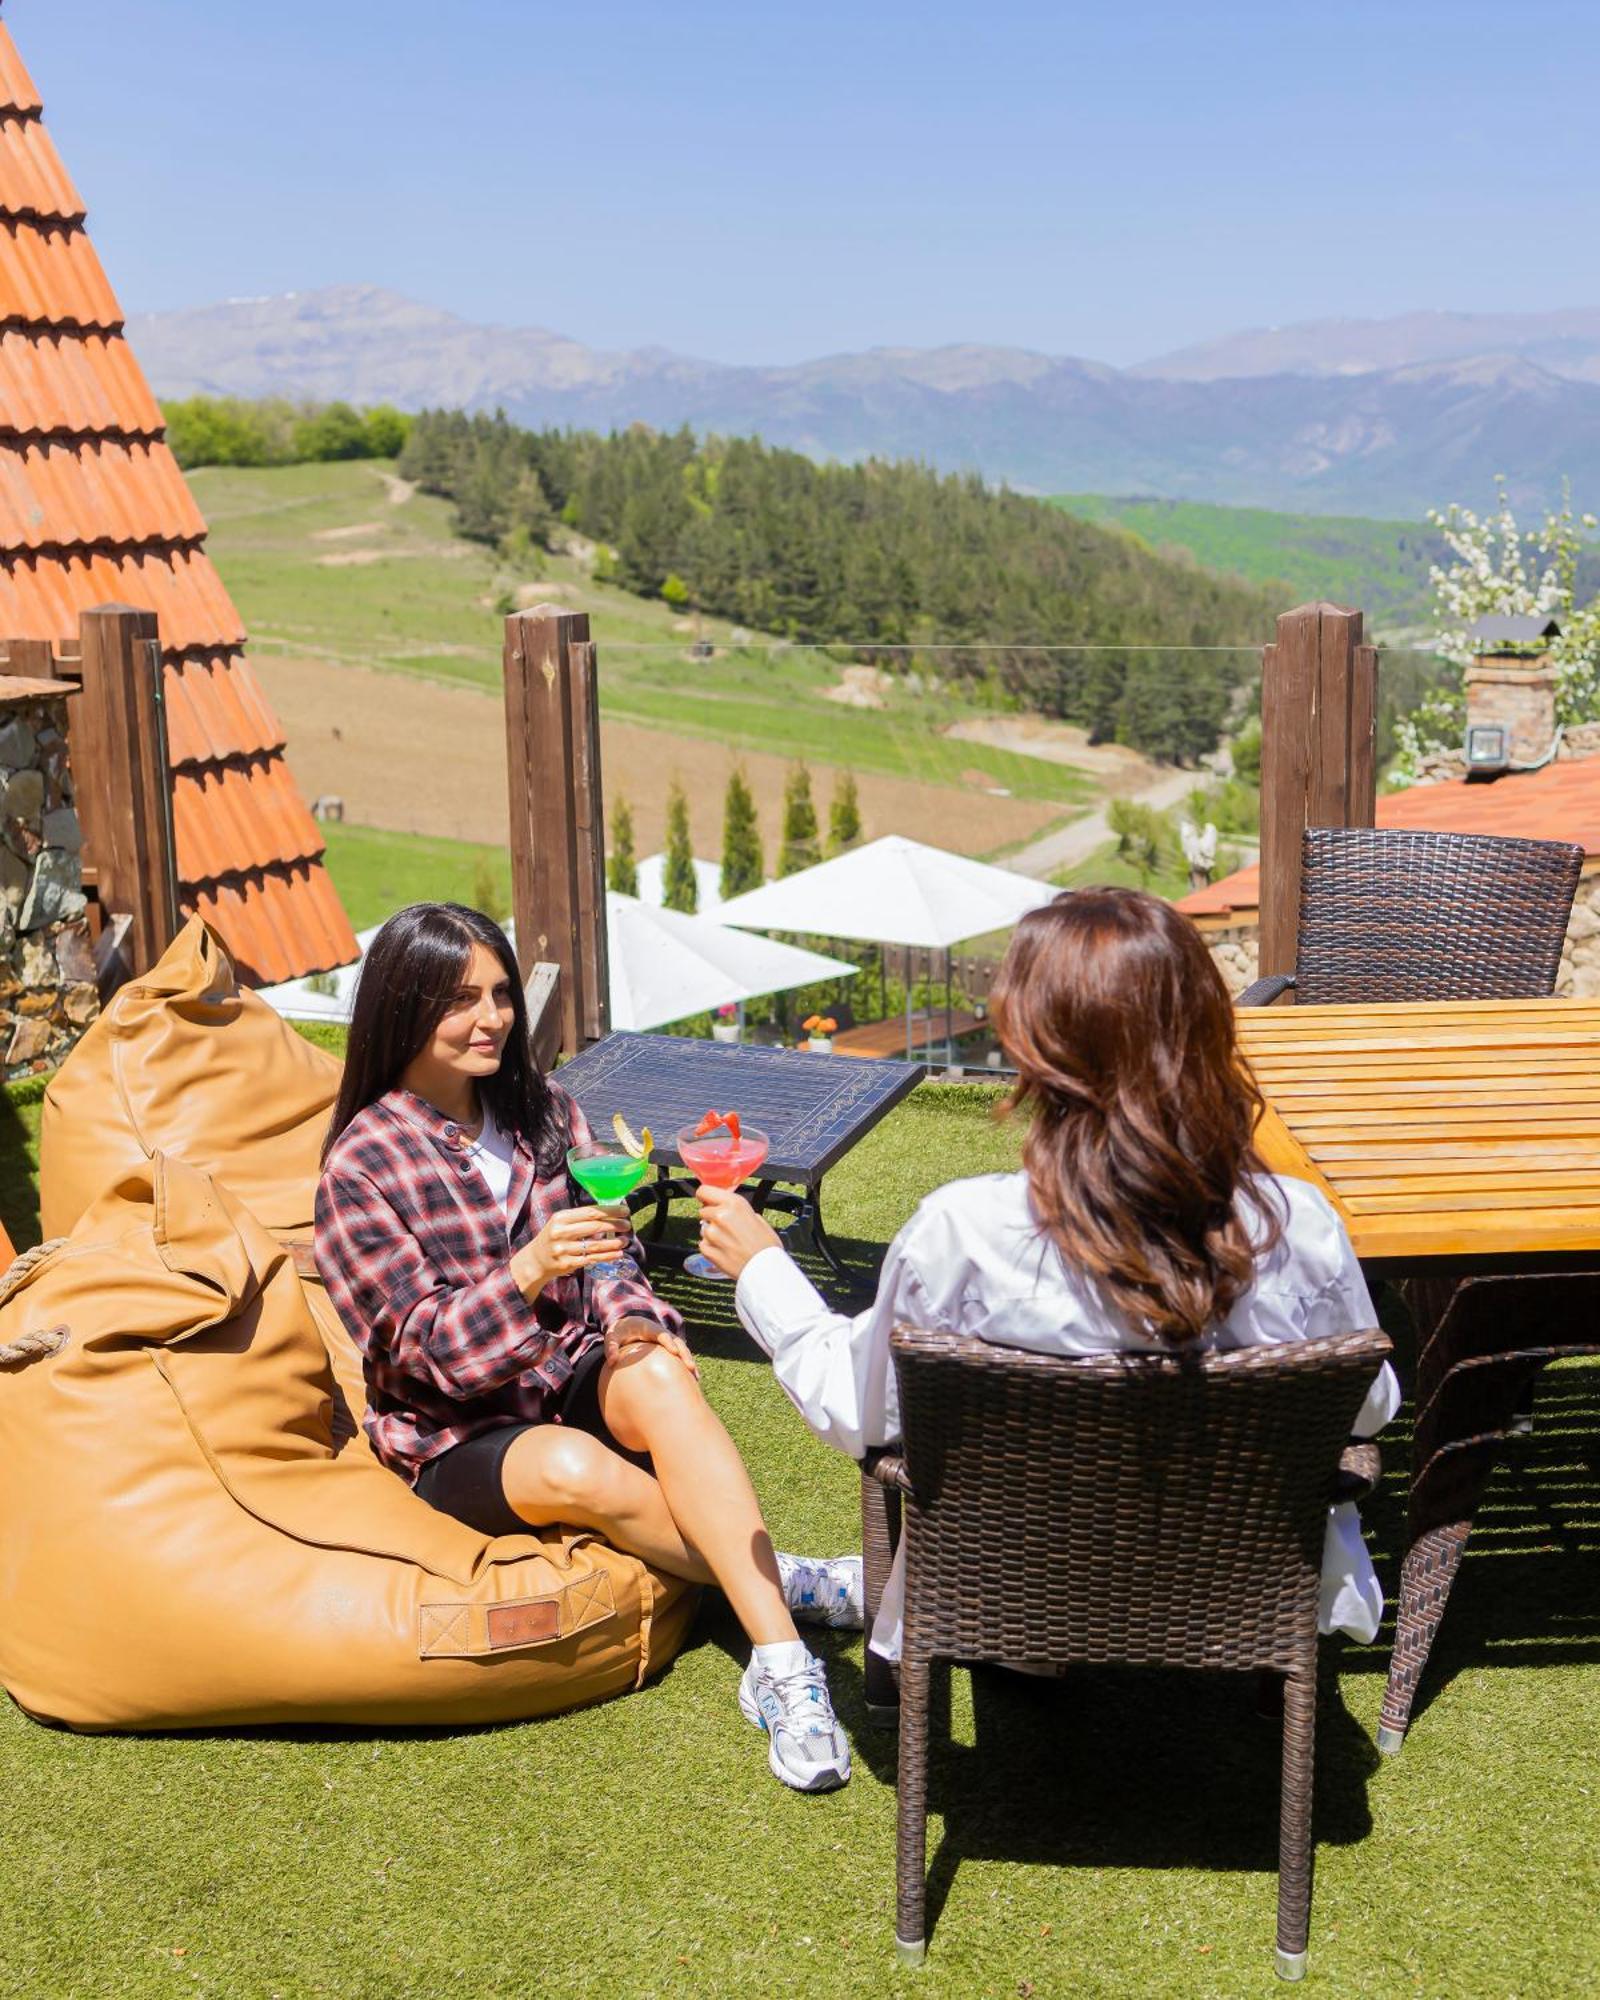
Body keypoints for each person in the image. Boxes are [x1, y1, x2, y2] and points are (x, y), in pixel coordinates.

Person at [694, 887, 1400, 1661]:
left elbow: (855, 1411)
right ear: (1204, 1029)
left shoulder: (964, 1233)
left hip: (1006, 1592)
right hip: (1237, 1599)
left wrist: (764, 1268)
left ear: (1034, 1046)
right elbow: (1366, 1408)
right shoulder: (1297, 1224)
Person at [314, 902, 857, 1791]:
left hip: (564, 1369)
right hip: (457, 1430)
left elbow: (612, 1257)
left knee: (658, 1376)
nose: (491, 1018)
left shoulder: (543, 1109)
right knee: (570, 1465)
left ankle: (779, 1667)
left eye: (498, 994)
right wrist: (525, 1272)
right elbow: (419, 1351)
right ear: (403, 1006)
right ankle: (790, 1587)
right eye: (460, 999)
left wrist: (636, 1321)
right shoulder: (359, 1169)